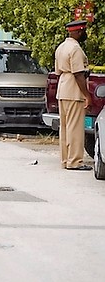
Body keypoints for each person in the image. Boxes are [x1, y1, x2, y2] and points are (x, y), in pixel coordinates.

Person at [55, 20, 92, 170]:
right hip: (73, 89)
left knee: (64, 128)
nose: (84, 34)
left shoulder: (61, 47)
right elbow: (78, 74)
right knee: (75, 128)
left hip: (62, 87)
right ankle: (75, 161)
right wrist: (87, 95)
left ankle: (66, 160)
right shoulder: (75, 49)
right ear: (78, 32)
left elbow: (58, 71)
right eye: (83, 31)